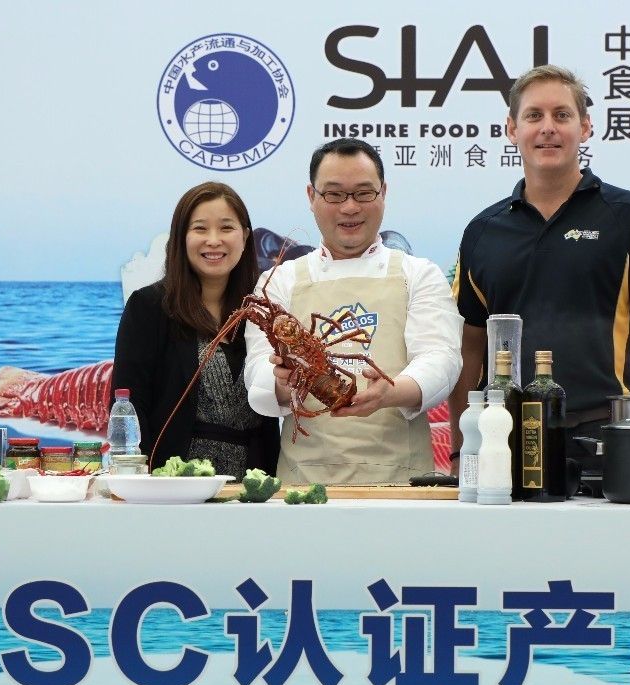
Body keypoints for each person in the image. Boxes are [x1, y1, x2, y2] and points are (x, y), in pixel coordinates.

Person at [447, 65, 630, 465]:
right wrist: (462, 449)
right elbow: (467, 349)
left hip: (606, 438)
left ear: (585, 127)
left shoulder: (628, 215)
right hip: (503, 441)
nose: (548, 128)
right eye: (534, 116)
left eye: (562, 115)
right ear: (512, 129)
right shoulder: (482, 231)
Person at [243, 138, 462, 485]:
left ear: (383, 193)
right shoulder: (280, 280)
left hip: (402, 482)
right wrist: (282, 382)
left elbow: (441, 358)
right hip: (303, 484)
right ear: (311, 196)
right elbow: (257, 371)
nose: (349, 207)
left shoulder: (418, 274)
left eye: (363, 193)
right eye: (334, 194)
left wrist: (391, 392)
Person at [112, 181, 279, 477]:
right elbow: (130, 405)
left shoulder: (262, 310)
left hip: (254, 484)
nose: (214, 240)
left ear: (244, 237)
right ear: (181, 238)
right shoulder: (148, 306)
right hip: (174, 482)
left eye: (226, 228)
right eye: (200, 228)